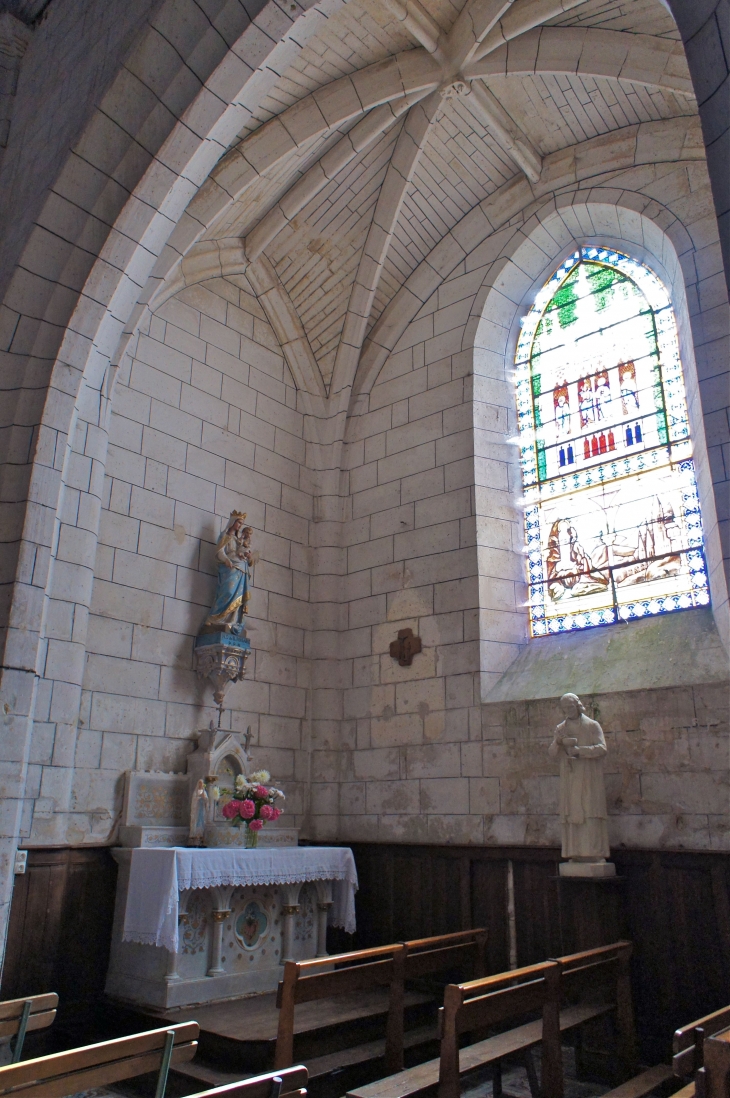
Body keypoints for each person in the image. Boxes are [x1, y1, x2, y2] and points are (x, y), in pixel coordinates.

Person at [548, 693, 609, 862]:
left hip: (589, 776)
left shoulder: (592, 725)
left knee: (590, 812)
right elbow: (552, 753)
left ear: (578, 705)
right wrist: (557, 742)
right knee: (572, 814)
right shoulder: (561, 728)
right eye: (565, 708)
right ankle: (575, 853)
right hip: (570, 776)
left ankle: (594, 853)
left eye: (571, 707)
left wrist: (580, 751)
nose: (568, 711)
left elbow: (602, 748)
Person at [201, 511, 252, 635]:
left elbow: (244, 553)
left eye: (242, 523)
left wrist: (248, 555)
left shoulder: (238, 539)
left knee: (238, 598)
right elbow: (219, 551)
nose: (240, 525)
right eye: (239, 522)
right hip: (229, 569)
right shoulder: (225, 536)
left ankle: (232, 621)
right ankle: (214, 618)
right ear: (233, 522)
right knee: (228, 592)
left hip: (241, 570)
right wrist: (226, 560)